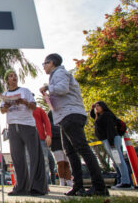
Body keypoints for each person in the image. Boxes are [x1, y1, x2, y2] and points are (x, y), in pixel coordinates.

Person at [40, 53, 108, 196]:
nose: (44, 67)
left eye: (44, 64)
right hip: (64, 117)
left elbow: (63, 89)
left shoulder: (59, 73)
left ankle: (100, 187)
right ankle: (78, 185)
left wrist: (47, 88)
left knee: (83, 149)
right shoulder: (55, 76)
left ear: (51, 63)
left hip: (71, 114)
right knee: (70, 152)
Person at [0, 70, 46, 196]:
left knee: (34, 156)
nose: (13, 77)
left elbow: (34, 107)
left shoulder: (25, 91)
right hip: (13, 127)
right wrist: (7, 106)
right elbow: (2, 110)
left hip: (27, 125)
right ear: (7, 80)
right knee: (17, 158)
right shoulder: (4, 94)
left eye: (15, 75)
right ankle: (21, 187)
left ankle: (37, 187)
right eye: (10, 76)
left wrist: (24, 102)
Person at [90, 101, 131, 189]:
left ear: (103, 106)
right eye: (96, 106)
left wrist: (111, 142)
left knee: (119, 160)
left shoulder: (107, 115)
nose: (96, 107)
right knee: (117, 161)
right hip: (107, 140)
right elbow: (93, 116)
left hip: (111, 140)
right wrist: (92, 108)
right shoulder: (100, 116)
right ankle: (122, 181)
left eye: (98, 106)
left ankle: (126, 182)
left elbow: (110, 129)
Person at [48, 111, 72, 187]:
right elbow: (51, 134)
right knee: (60, 163)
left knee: (67, 164)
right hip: (56, 145)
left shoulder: (61, 122)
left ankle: (69, 181)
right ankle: (61, 181)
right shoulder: (50, 124)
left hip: (65, 145)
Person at [32, 106, 53, 186]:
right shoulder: (23, 110)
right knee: (29, 161)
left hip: (41, 139)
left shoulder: (39, 110)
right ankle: (32, 183)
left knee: (44, 161)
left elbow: (46, 122)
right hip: (28, 139)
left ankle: (45, 183)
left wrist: (48, 135)